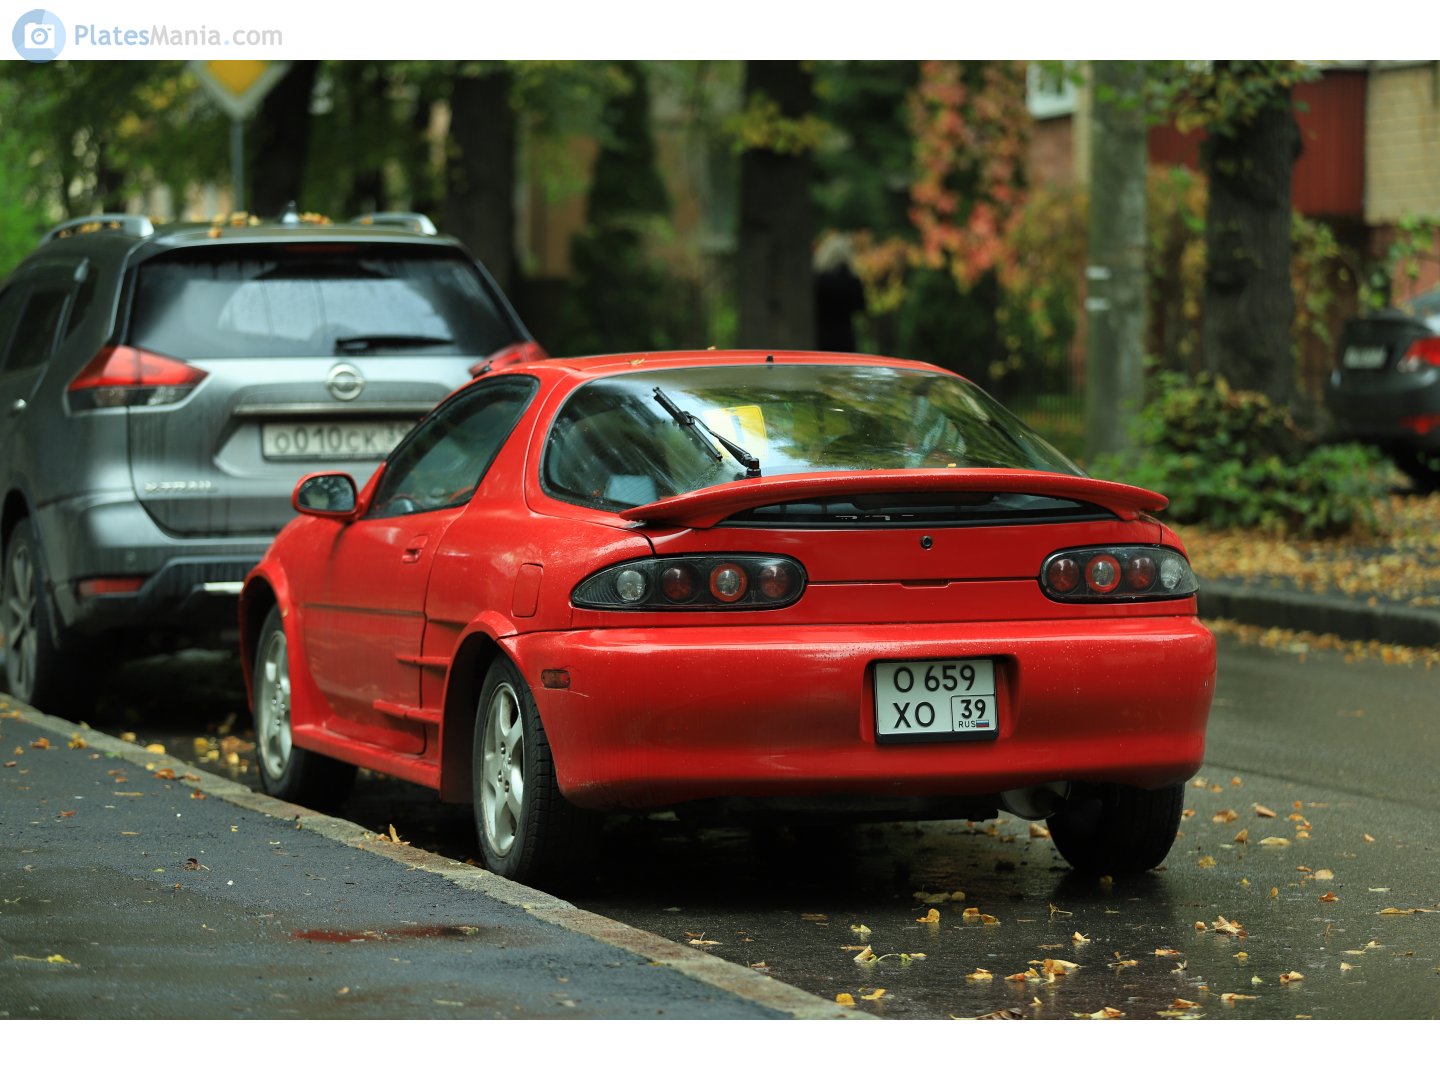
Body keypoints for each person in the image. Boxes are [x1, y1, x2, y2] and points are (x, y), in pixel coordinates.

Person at [813, 233, 866, 352]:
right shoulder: (852, 280)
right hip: (845, 336)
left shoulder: (819, 280)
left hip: (821, 335)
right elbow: (861, 307)